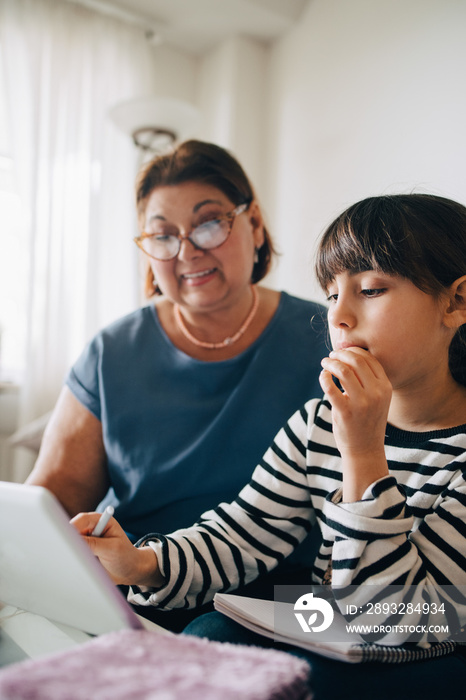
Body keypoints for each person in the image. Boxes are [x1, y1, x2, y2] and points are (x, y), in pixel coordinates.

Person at [73, 193, 466, 698]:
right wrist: (142, 564)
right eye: (330, 295)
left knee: (312, 683)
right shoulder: (319, 423)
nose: (339, 317)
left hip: (433, 641)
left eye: (370, 290)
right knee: (210, 636)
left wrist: (364, 456)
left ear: (456, 302)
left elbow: (401, 620)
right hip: (339, 619)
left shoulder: (381, 439)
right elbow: (244, 532)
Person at [26, 139, 328, 630]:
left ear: (253, 225)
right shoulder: (112, 351)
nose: (187, 250)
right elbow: (52, 505)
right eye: (162, 235)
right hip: (140, 582)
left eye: (209, 223)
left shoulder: (329, 337)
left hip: (285, 594)